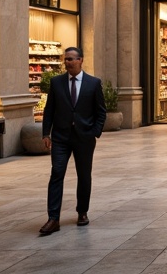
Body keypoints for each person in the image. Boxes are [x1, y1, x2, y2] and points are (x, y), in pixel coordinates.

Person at [39, 46, 107, 236]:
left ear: (80, 60)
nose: (67, 63)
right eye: (65, 60)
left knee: (84, 175)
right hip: (61, 138)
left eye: (71, 59)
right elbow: (49, 110)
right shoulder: (56, 82)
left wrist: (94, 132)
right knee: (57, 174)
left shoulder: (93, 83)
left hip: (84, 138)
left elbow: (101, 111)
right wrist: (46, 133)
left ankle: (82, 212)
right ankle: (53, 218)